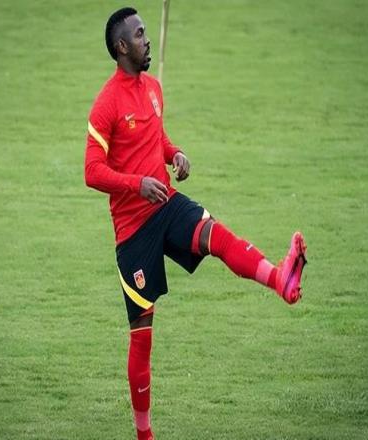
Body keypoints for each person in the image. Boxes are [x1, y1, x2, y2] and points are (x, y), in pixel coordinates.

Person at [84, 7, 307, 440]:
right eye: (139, 34)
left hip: (166, 206)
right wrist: (137, 184)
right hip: (133, 232)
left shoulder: (153, 88)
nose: (147, 39)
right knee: (142, 336)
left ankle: (280, 279)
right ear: (121, 46)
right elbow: (92, 171)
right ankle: (144, 434)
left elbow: (156, 137)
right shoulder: (106, 103)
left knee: (217, 236)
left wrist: (175, 154)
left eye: (146, 32)